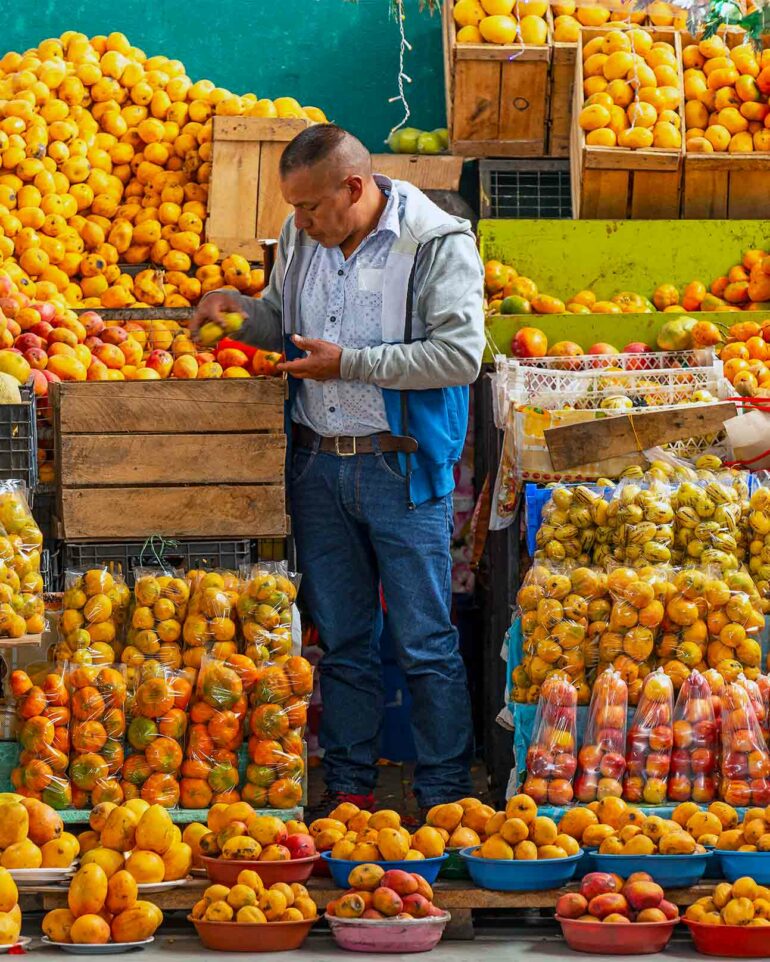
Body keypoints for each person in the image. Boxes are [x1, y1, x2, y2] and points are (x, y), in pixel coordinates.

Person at [194, 123, 485, 816]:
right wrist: (242, 314)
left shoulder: (436, 242)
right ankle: (350, 790)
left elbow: (460, 355)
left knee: (424, 640)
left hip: (400, 468)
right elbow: (283, 325)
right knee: (346, 640)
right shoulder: (303, 240)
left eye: (310, 207)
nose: (298, 222)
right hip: (319, 466)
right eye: (292, 208)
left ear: (353, 188)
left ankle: (444, 792)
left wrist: (350, 363)